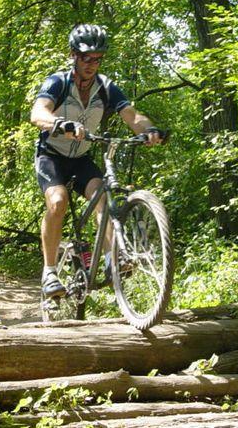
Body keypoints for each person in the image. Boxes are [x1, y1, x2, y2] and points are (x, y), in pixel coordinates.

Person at [30, 24, 166, 298]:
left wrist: (149, 130)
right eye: (85, 57)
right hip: (51, 156)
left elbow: (131, 115)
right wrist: (60, 124)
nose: (92, 63)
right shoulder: (58, 82)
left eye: (97, 58)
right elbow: (37, 112)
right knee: (58, 202)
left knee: (101, 197)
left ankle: (110, 261)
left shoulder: (106, 87)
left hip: (81, 157)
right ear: (73, 55)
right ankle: (49, 272)